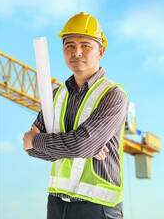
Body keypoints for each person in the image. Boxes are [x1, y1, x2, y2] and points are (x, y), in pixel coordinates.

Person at [23, 12, 127, 219]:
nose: (76, 52)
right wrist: (79, 145)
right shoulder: (55, 95)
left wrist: (38, 140)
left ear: (101, 51)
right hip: (56, 203)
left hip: (98, 206)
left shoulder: (112, 94)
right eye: (69, 45)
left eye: (85, 45)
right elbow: (31, 149)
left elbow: (81, 145)